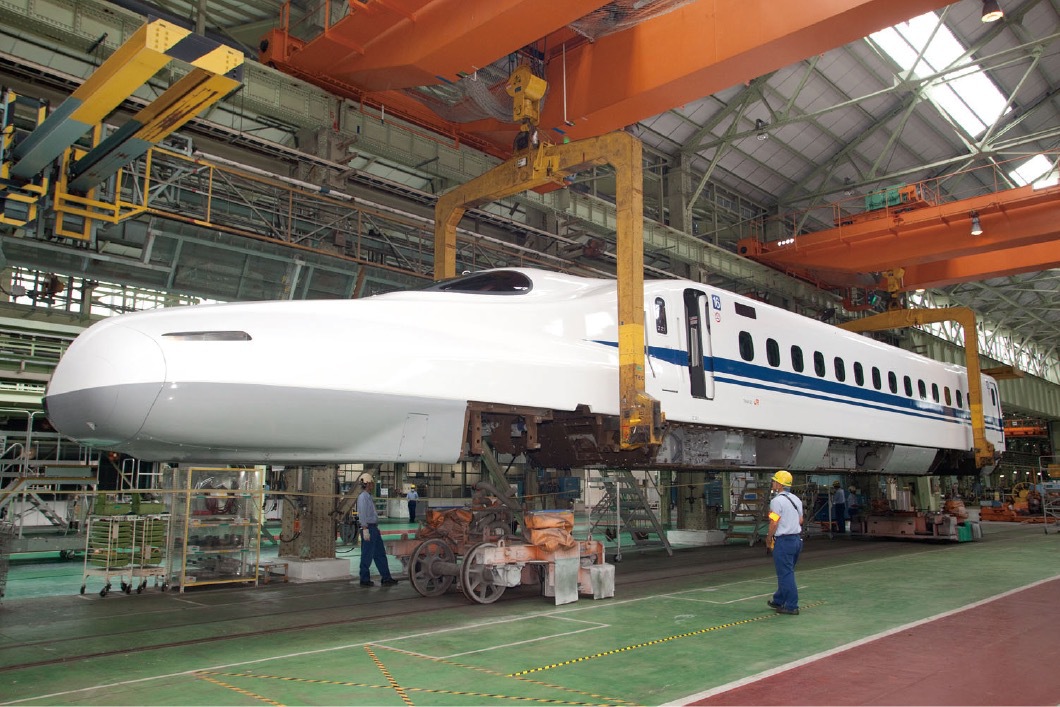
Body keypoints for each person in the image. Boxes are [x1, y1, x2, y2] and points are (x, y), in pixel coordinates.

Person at [766, 470, 804, 616]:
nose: (773, 483)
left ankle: (791, 606)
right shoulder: (796, 500)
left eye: (775, 481)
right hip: (796, 540)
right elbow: (800, 520)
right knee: (786, 571)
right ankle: (779, 599)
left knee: (786, 574)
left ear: (780, 484)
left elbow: (774, 522)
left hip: (784, 541)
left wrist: (769, 538)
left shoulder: (776, 501)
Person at [356, 473, 399, 587]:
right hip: (369, 528)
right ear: (368, 483)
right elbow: (362, 514)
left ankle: (386, 578)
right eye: (371, 483)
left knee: (380, 554)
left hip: (373, 529)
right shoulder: (363, 497)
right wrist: (365, 529)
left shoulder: (368, 496)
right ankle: (364, 579)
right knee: (367, 555)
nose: (373, 485)